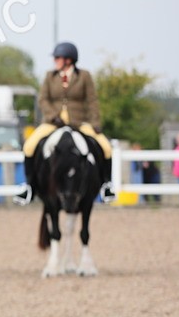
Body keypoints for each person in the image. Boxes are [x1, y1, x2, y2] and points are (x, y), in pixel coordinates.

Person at [15, 42, 116, 204]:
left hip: (79, 121)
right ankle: (29, 186)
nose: (55, 60)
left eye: (58, 58)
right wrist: (53, 116)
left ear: (68, 60)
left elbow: (92, 101)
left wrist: (95, 122)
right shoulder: (50, 76)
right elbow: (43, 99)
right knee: (29, 146)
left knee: (106, 146)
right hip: (53, 122)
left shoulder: (84, 76)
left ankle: (106, 185)